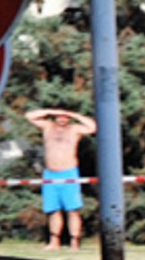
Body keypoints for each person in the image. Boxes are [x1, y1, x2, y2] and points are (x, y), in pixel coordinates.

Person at [26, 107, 95, 251]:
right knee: (53, 210)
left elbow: (92, 127)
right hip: (50, 174)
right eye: (59, 116)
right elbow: (29, 116)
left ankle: (74, 242)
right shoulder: (48, 126)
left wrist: (74, 114)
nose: (62, 119)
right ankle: (54, 242)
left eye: (65, 116)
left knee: (72, 210)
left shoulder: (75, 129)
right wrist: (51, 111)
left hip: (69, 173)